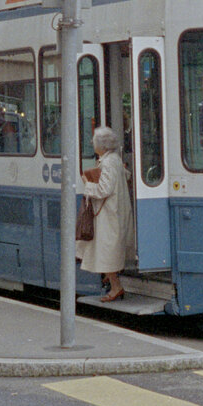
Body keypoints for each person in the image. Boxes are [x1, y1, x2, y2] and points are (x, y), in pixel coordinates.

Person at [77, 126, 134, 302]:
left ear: (101, 145)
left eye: (94, 142)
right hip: (114, 213)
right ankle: (112, 280)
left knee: (105, 252)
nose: (92, 144)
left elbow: (103, 189)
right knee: (108, 251)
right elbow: (127, 175)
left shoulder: (108, 163)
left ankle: (116, 286)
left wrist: (87, 183)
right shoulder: (115, 159)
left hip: (108, 216)